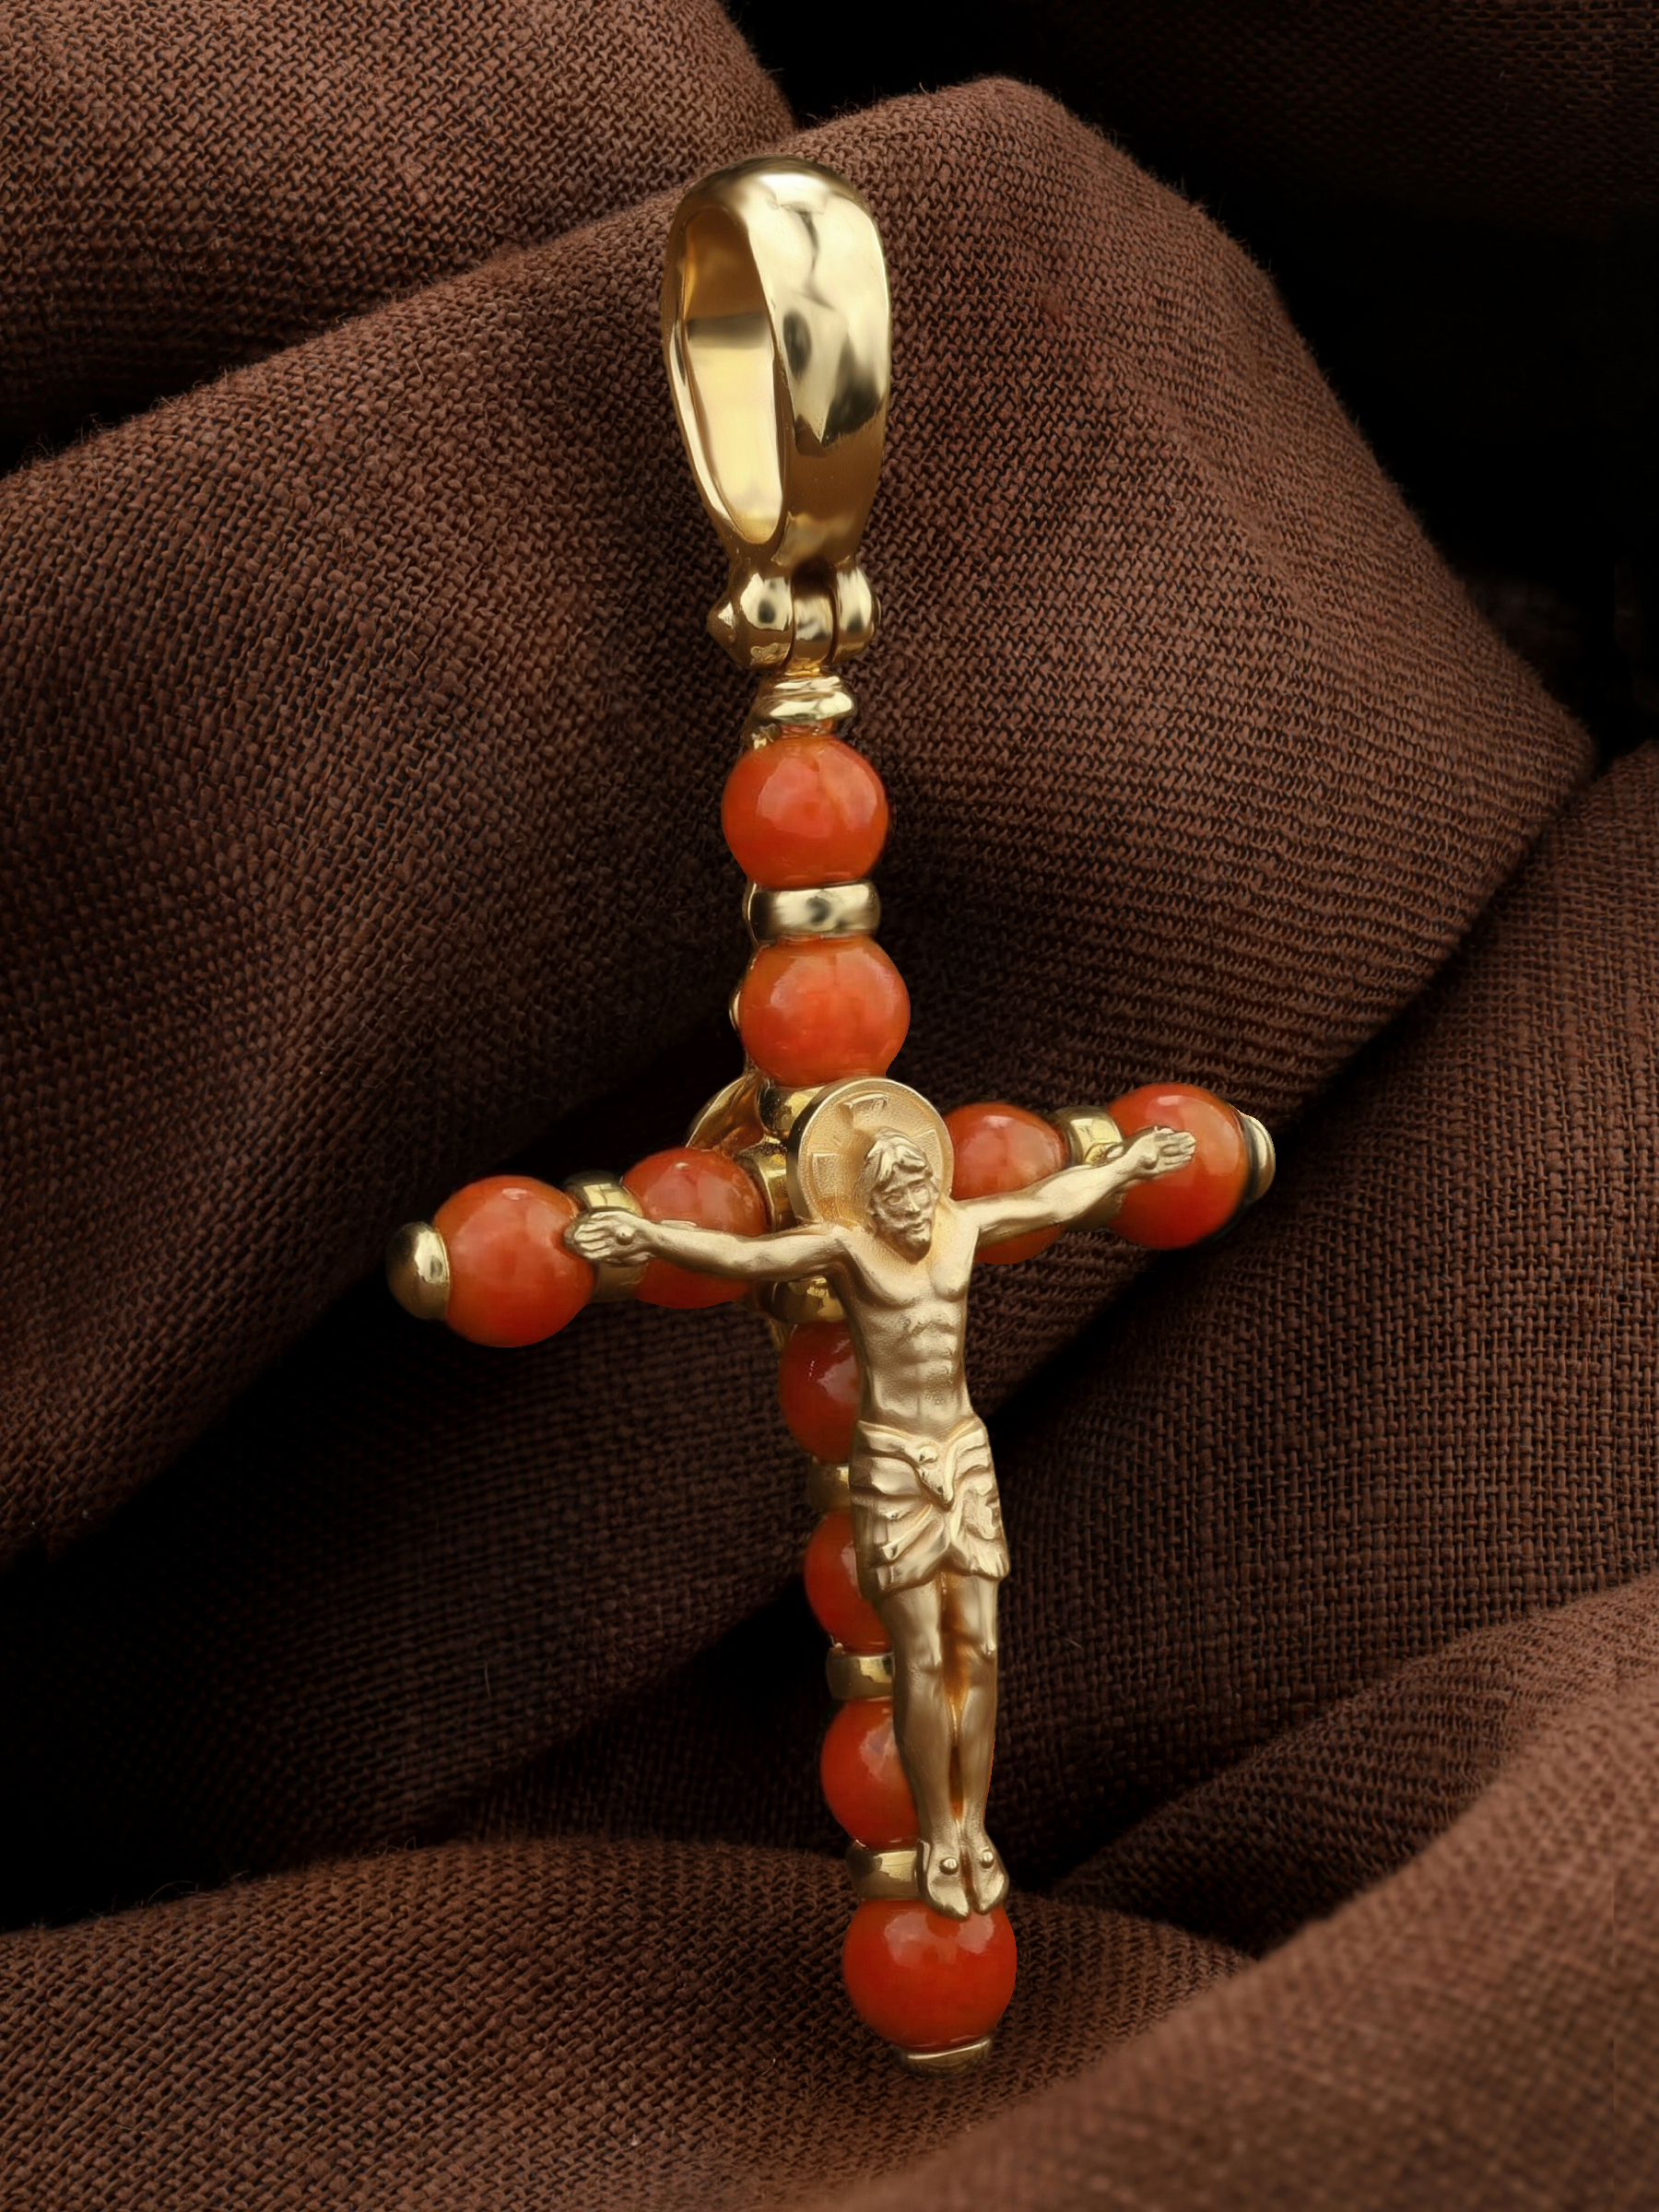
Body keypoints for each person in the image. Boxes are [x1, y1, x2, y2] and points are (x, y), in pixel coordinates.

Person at [568, 1112, 1194, 1916]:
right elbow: (745, 1257)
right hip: (896, 1462)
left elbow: (1052, 1200)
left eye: (919, 1185)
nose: (911, 1202)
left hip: (963, 1455)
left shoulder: (962, 1226)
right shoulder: (849, 1249)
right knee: (922, 1658)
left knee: (980, 1650)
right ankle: (941, 1833)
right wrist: (647, 1235)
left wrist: (1131, 1163)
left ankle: (974, 1825)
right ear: (869, 1200)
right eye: (894, 1193)